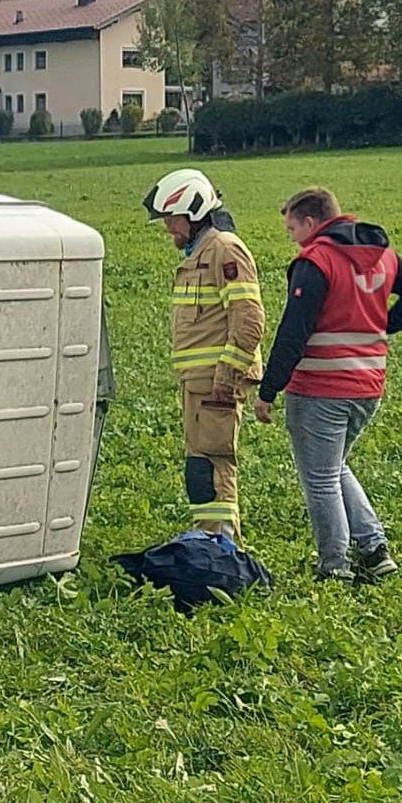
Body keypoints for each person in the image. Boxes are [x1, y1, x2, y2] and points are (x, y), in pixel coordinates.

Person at [253, 188, 402, 582]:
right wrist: (381, 327)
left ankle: (334, 567)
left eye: (292, 229)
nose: (292, 237)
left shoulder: (316, 261)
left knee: (319, 479)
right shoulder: (382, 255)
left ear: (311, 223)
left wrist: (269, 390)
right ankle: (374, 548)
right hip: (368, 385)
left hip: (321, 387)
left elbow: (293, 332)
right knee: (333, 468)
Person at [144, 168, 265, 540]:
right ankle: (210, 538)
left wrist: (227, 377)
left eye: (171, 219)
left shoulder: (224, 250)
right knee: (200, 468)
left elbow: (249, 319)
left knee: (213, 465)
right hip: (199, 385)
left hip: (216, 384)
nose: (168, 229)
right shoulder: (200, 253)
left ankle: (222, 546)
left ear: (194, 212)